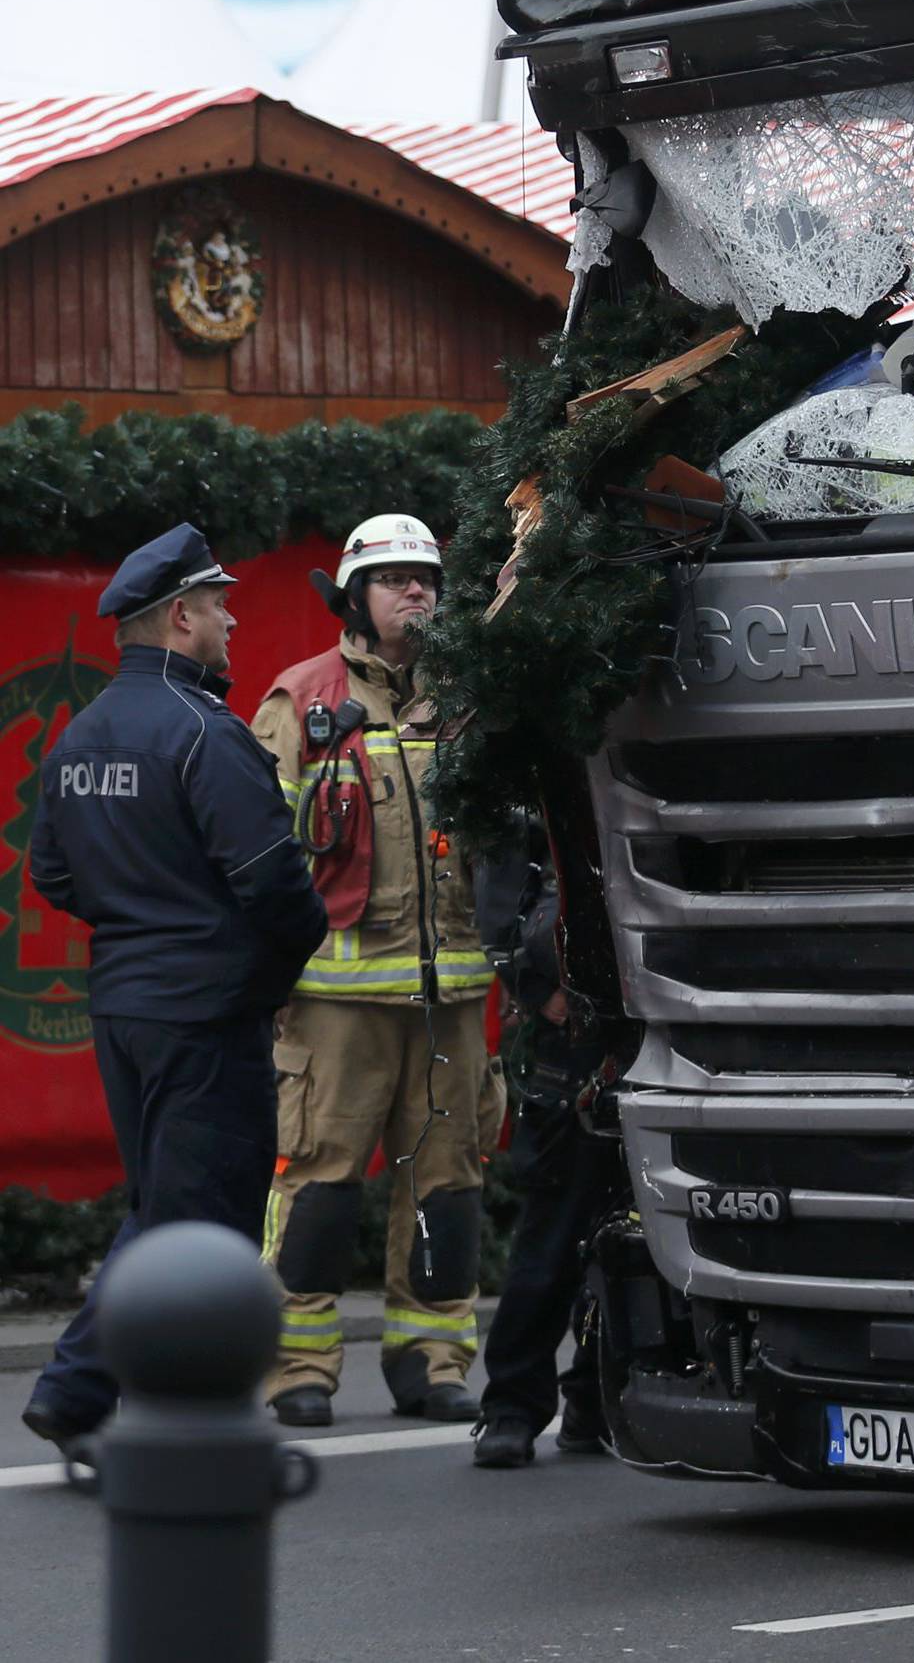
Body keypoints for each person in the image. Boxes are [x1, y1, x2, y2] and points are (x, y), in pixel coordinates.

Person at [21, 524, 327, 1456]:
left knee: (165, 1205)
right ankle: (92, 1394)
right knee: (203, 1224)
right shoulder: (205, 731)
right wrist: (270, 976)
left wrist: (141, 914)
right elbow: (281, 890)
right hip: (205, 1013)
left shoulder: (81, 734)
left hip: (125, 1007)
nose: (233, 618)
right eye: (219, 604)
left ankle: (120, 1399)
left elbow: (51, 876)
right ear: (182, 617)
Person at [253, 513, 499, 1429]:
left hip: (450, 1000)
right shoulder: (297, 702)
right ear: (355, 596)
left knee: (449, 1183)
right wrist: (265, 978)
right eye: (396, 578)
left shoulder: (467, 696)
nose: (417, 593)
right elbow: (255, 855)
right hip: (333, 1005)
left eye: (427, 579)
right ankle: (299, 1367)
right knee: (317, 1184)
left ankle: (431, 1358)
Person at [469, 824, 625, 1468]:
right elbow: (501, 885)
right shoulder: (535, 757)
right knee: (554, 1232)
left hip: (656, 1022)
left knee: (637, 1233)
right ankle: (512, 1407)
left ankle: (598, 1400)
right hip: (576, 1036)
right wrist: (539, 989)